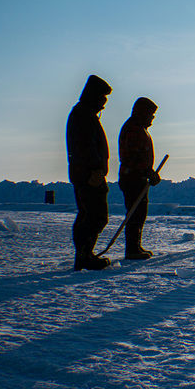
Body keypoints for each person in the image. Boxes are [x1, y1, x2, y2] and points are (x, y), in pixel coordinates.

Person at [66, 75, 114, 271]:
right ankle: (84, 255)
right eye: (102, 99)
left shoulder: (84, 114)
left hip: (87, 172)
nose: (104, 104)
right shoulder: (83, 115)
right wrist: (95, 169)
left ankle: (85, 254)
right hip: (88, 174)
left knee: (91, 214)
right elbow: (85, 146)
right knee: (95, 215)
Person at [118, 97, 161, 260]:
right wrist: (147, 171)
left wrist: (148, 172)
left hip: (138, 177)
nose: (152, 118)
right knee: (135, 212)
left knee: (139, 212)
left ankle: (135, 245)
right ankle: (132, 248)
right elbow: (133, 156)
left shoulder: (139, 128)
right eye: (151, 114)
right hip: (133, 178)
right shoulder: (134, 129)